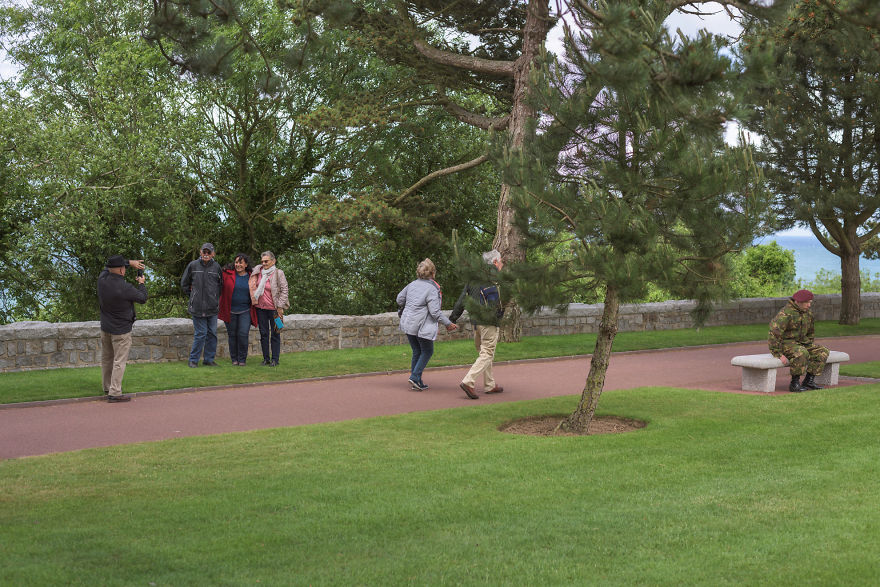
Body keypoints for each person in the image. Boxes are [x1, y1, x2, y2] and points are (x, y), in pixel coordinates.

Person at [450, 249, 505, 400]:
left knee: (485, 352)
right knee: (487, 352)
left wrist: (453, 318)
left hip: (476, 322)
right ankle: (468, 381)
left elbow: (462, 299)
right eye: (501, 262)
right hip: (489, 321)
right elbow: (499, 300)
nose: (502, 264)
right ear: (495, 262)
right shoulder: (496, 278)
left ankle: (490, 385)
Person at [396, 258, 458, 391]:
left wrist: (410, 306)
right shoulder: (432, 289)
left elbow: (399, 299)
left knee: (417, 351)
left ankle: (416, 381)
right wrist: (448, 323)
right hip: (421, 325)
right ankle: (414, 377)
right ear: (432, 273)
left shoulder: (412, 284)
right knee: (427, 351)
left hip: (408, 323)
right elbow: (435, 312)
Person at [97, 255, 148, 402]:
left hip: (105, 327)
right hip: (121, 330)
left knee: (107, 359)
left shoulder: (102, 279)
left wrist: (129, 262)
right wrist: (141, 283)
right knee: (119, 361)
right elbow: (143, 298)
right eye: (124, 267)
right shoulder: (125, 287)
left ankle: (107, 387)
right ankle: (115, 392)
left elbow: (107, 268)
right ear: (121, 270)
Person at [769, 289, 830, 392]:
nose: (809, 305)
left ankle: (809, 381)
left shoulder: (807, 313)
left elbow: (810, 331)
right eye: (807, 302)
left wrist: (810, 343)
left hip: (802, 343)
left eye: (810, 302)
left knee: (822, 351)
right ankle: (794, 383)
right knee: (801, 353)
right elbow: (774, 333)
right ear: (798, 302)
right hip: (787, 344)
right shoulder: (786, 314)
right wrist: (778, 353)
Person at [181, 243, 222, 368]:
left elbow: (220, 286)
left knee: (212, 334)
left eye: (208, 252)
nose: (206, 254)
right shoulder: (192, 265)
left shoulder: (216, 267)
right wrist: (194, 297)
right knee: (201, 334)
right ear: (200, 252)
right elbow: (184, 284)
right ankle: (193, 360)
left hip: (212, 308)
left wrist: (214, 298)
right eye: (204, 252)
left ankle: (209, 360)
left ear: (213, 254)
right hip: (197, 307)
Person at [249, 251, 290, 367]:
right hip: (261, 309)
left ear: (273, 261)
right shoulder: (259, 272)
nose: (264, 263)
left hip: (275, 310)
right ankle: (266, 358)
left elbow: (284, 291)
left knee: (276, 333)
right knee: (264, 334)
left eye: (266, 261)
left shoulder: (279, 273)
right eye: (262, 261)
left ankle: (275, 360)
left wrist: (280, 307)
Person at [219, 253, 257, 366]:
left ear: (246, 264)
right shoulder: (227, 274)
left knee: (243, 334)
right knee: (232, 335)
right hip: (230, 311)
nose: (238, 265)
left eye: (240, 262)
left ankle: (242, 359)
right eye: (236, 262)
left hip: (245, 310)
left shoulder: (252, 276)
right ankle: (234, 359)